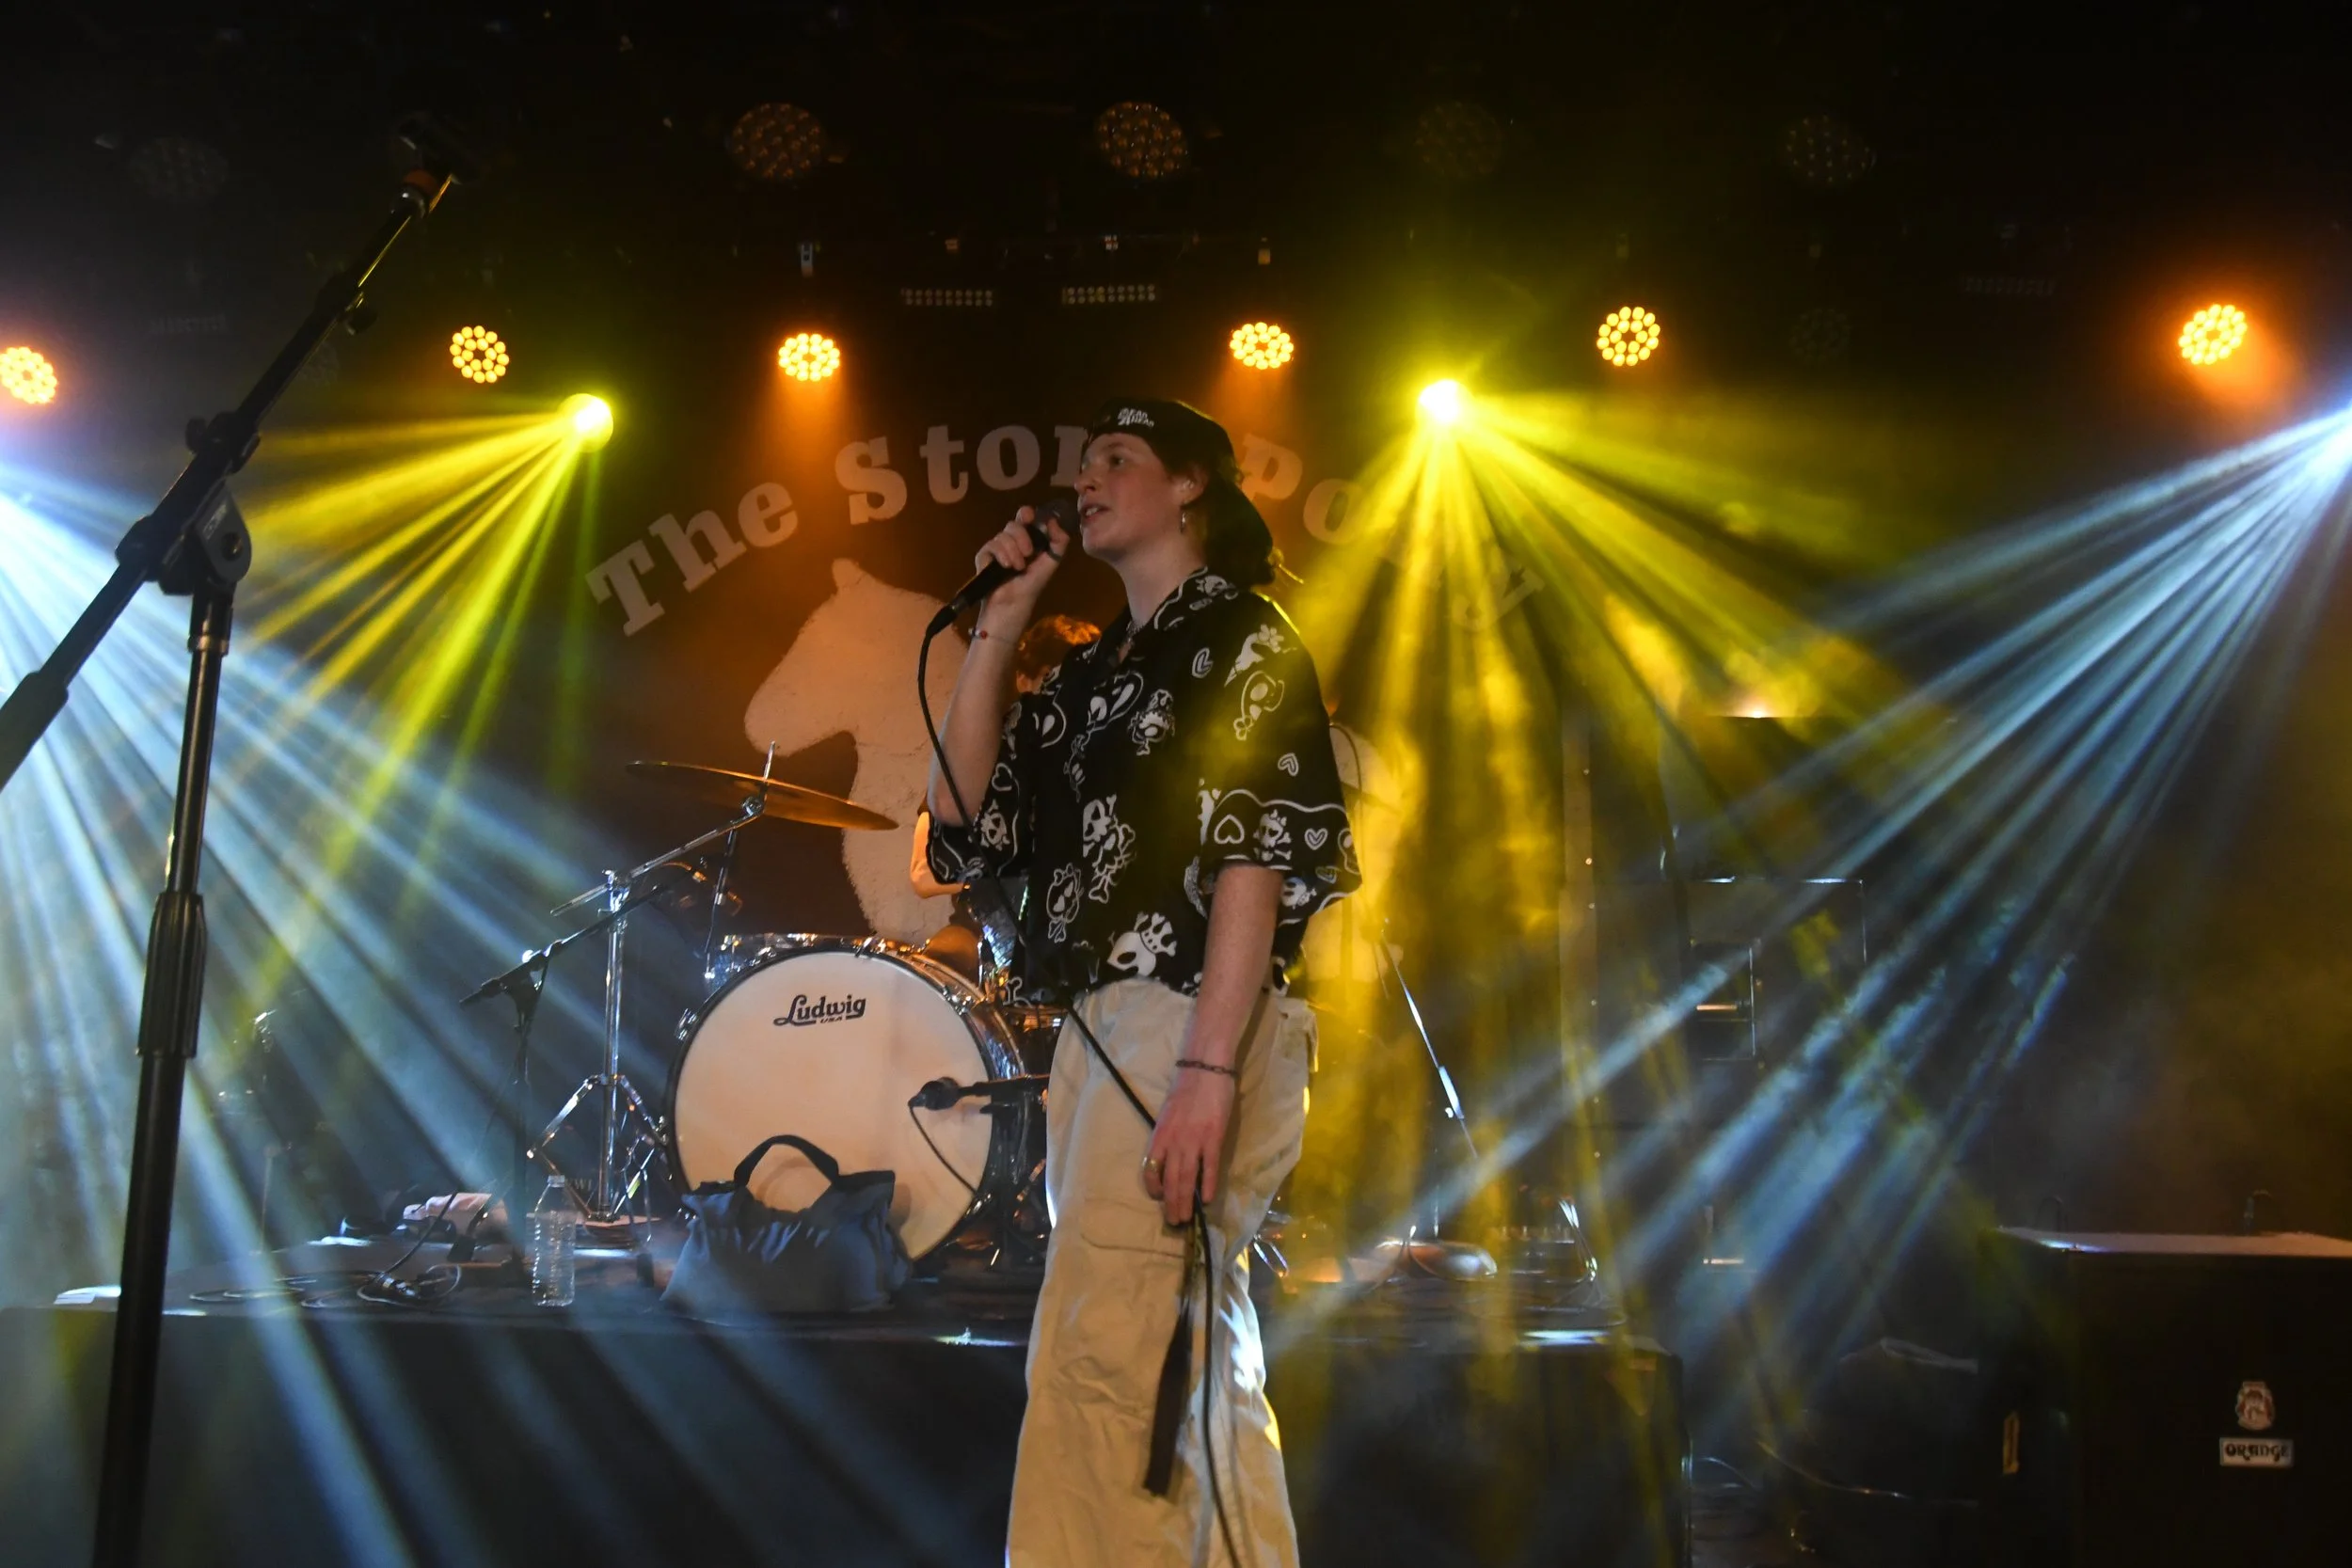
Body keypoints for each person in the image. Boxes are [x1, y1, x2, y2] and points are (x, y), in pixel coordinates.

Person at [927, 399, 1358, 1567]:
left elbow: (1255, 856)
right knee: (1184, 1361)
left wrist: (1207, 1069)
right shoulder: (1090, 673)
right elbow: (962, 821)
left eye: (1116, 458)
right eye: (1082, 463)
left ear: (1190, 487)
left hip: (1189, 1018)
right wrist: (999, 623)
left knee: (1107, 1359)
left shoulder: (1244, 637)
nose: (1086, 479)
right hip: (1104, 1028)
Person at [911, 617, 1102, 981]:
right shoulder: (978, 765)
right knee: (944, 959)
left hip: (1072, 929)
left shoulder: (1097, 766)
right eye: (1052, 677)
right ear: (1023, 679)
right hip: (981, 928)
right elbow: (922, 874)